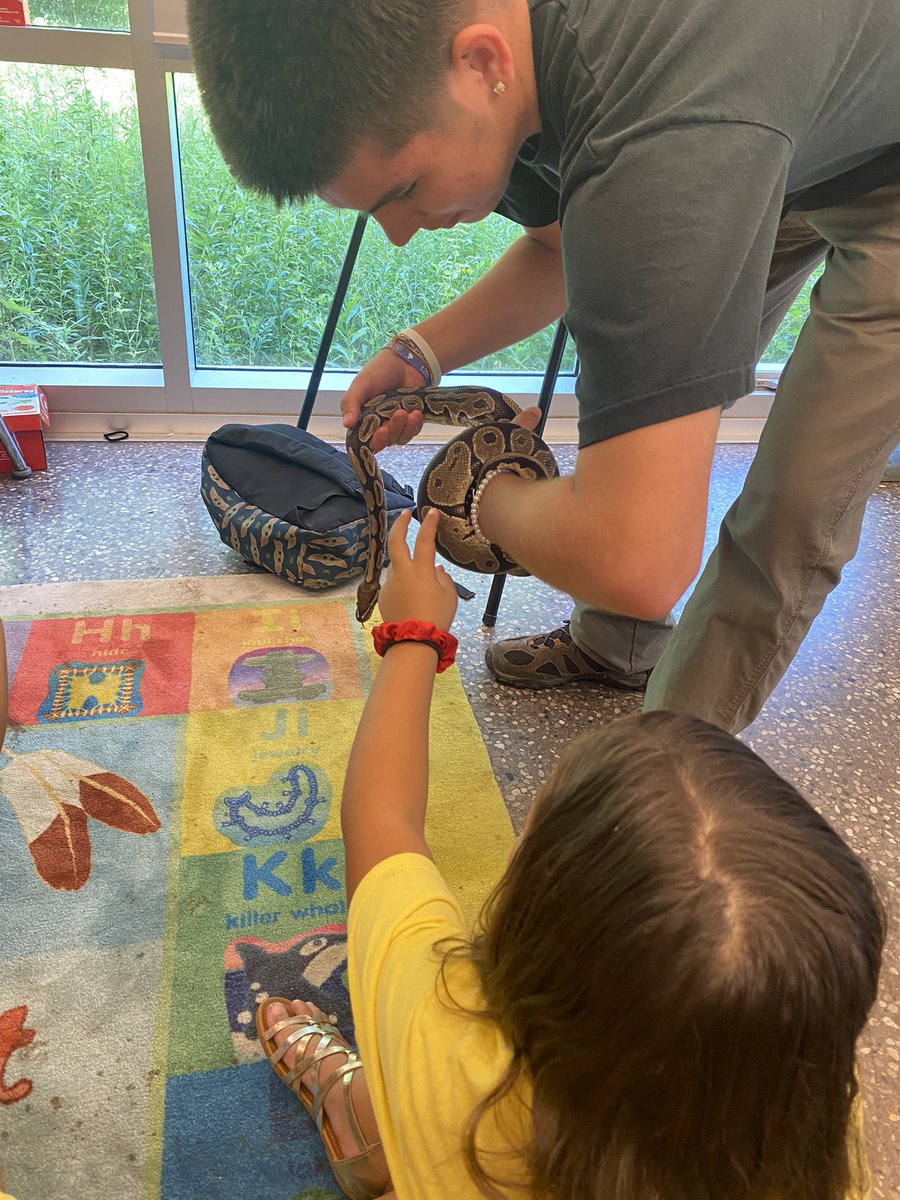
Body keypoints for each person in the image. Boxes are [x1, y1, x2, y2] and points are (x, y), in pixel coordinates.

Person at [186, 0, 900, 734]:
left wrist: (470, 491)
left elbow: (639, 556)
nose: (397, 235)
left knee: (791, 514)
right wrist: (421, 352)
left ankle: (655, 796)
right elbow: (564, 248)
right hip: (768, 115)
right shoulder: (509, 74)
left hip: (879, 167)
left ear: (483, 65)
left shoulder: (658, 138)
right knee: (646, 405)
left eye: (401, 192)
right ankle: (618, 648)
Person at [254, 510, 884, 1200]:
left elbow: (379, 815)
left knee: (404, 1066)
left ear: (534, 935)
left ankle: (369, 1121)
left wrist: (415, 637)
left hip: (449, 1120)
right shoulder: (817, 1127)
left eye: (537, 824)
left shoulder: (445, 1034)